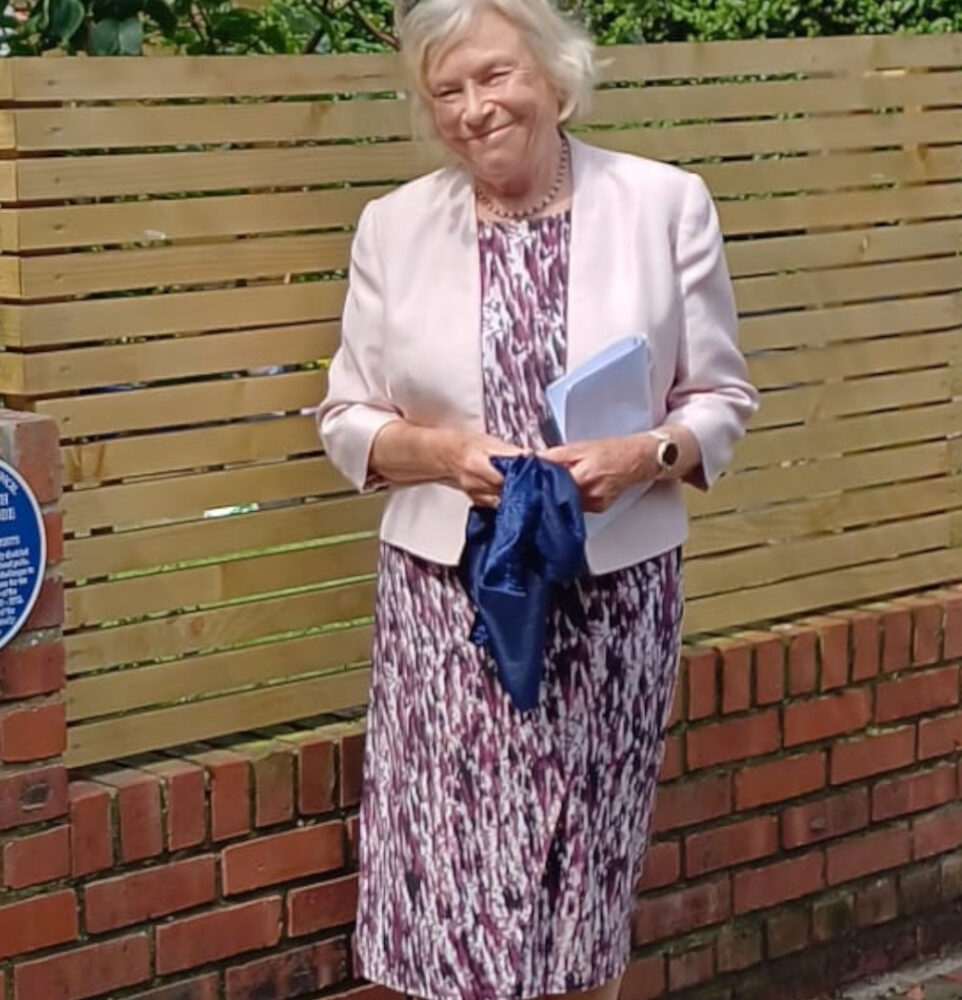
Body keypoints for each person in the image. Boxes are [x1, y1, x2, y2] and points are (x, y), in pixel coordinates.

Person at [312, 1, 759, 998]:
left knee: (581, 870)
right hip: (447, 599)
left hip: (610, 596)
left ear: (552, 77)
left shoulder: (663, 204)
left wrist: (643, 452)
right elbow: (344, 418)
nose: (474, 108)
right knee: (450, 871)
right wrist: (434, 451)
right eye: (447, 90)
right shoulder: (391, 228)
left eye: (493, 75)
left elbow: (719, 397)